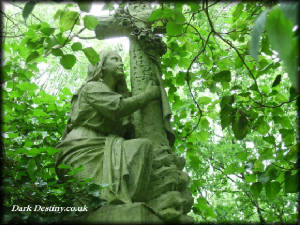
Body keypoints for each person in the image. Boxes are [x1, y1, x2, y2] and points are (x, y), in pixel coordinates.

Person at [55, 49, 161, 205]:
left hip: (107, 147)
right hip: (83, 149)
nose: (120, 63)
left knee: (142, 146)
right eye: (114, 59)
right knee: (91, 201)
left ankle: (125, 200)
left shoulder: (115, 94)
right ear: (102, 66)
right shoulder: (92, 87)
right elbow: (118, 107)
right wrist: (148, 95)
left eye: (120, 59)